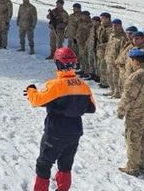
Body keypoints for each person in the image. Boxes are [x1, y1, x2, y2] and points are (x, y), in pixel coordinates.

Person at [25, 47, 96, 191]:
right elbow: (91, 108)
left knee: (44, 163)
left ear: (58, 63)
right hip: (74, 132)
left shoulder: (55, 85)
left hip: (55, 132)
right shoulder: (83, 85)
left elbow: (37, 101)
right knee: (66, 163)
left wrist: (30, 90)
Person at [117, 48, 144, 177]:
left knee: (133, 140)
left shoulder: (136, 76)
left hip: (136, 114)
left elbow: (128, 97)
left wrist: (121, 111)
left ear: (134, 61)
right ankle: (142, 166)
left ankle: (132, 167)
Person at [104, 19, 126, 98]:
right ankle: (112, 89)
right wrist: (106, 55)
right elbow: (108, 46)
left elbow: (122, 51)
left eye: (116, 25)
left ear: (120, 25)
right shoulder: (112, 35)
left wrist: (119, 61)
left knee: (116, 77)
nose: (114, 27)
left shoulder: (123, 37)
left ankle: (117, 92)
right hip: (109, 59)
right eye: (113, 25)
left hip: (116, 61)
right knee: (109, 75)